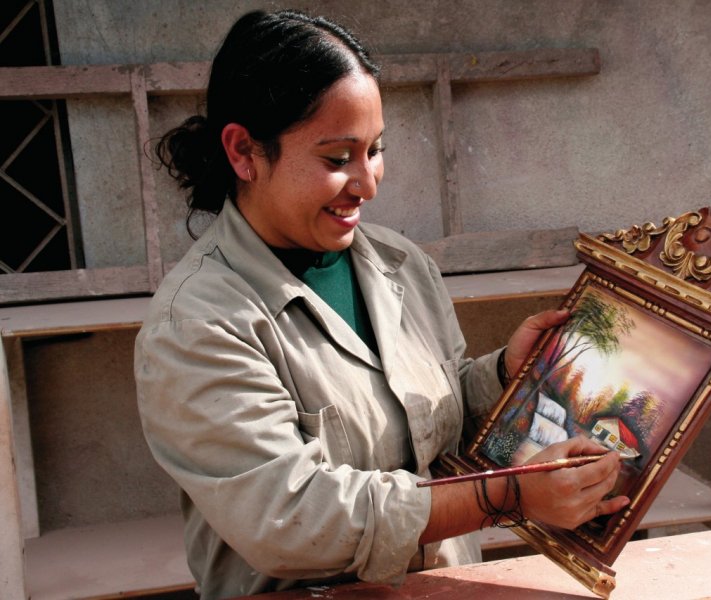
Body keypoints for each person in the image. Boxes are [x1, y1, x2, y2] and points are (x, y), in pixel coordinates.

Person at [134, 8, 629, 599]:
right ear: (244, 151)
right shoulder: (197, 325)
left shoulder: (401, 265)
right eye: (337, 158)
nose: (368, 182)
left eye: (375, 150)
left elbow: (428, 434)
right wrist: (508, 496)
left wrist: (502, 377)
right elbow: (296, 519)